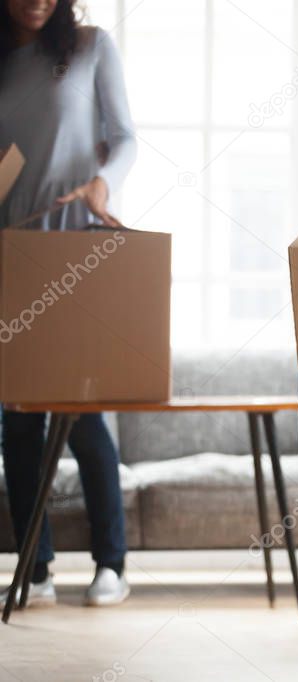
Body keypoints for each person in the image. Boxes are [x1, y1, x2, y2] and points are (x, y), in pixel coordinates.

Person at [0, 0, 137, 606]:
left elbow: (125, 138)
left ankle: (112, 564)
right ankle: (36, 567)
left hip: (79, 249)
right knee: (20, 421)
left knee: (84, 415)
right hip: (13, 255)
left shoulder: (90, 45)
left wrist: (104, 183)